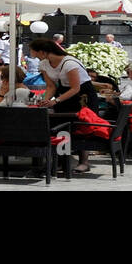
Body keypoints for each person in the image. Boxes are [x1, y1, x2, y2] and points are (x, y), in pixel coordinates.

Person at [30, 39, 100, 173]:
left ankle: (84, 161)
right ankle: (62, 161)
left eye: (35, 52)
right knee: (60, 126)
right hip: (64, 96)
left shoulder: (69, 63)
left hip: (82, 96)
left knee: (81, 127)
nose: (34, 56)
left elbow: (75, 88)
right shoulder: (44, 63)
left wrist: (55, 101)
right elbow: (51, 86)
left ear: (43, 52)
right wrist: (45, 101)